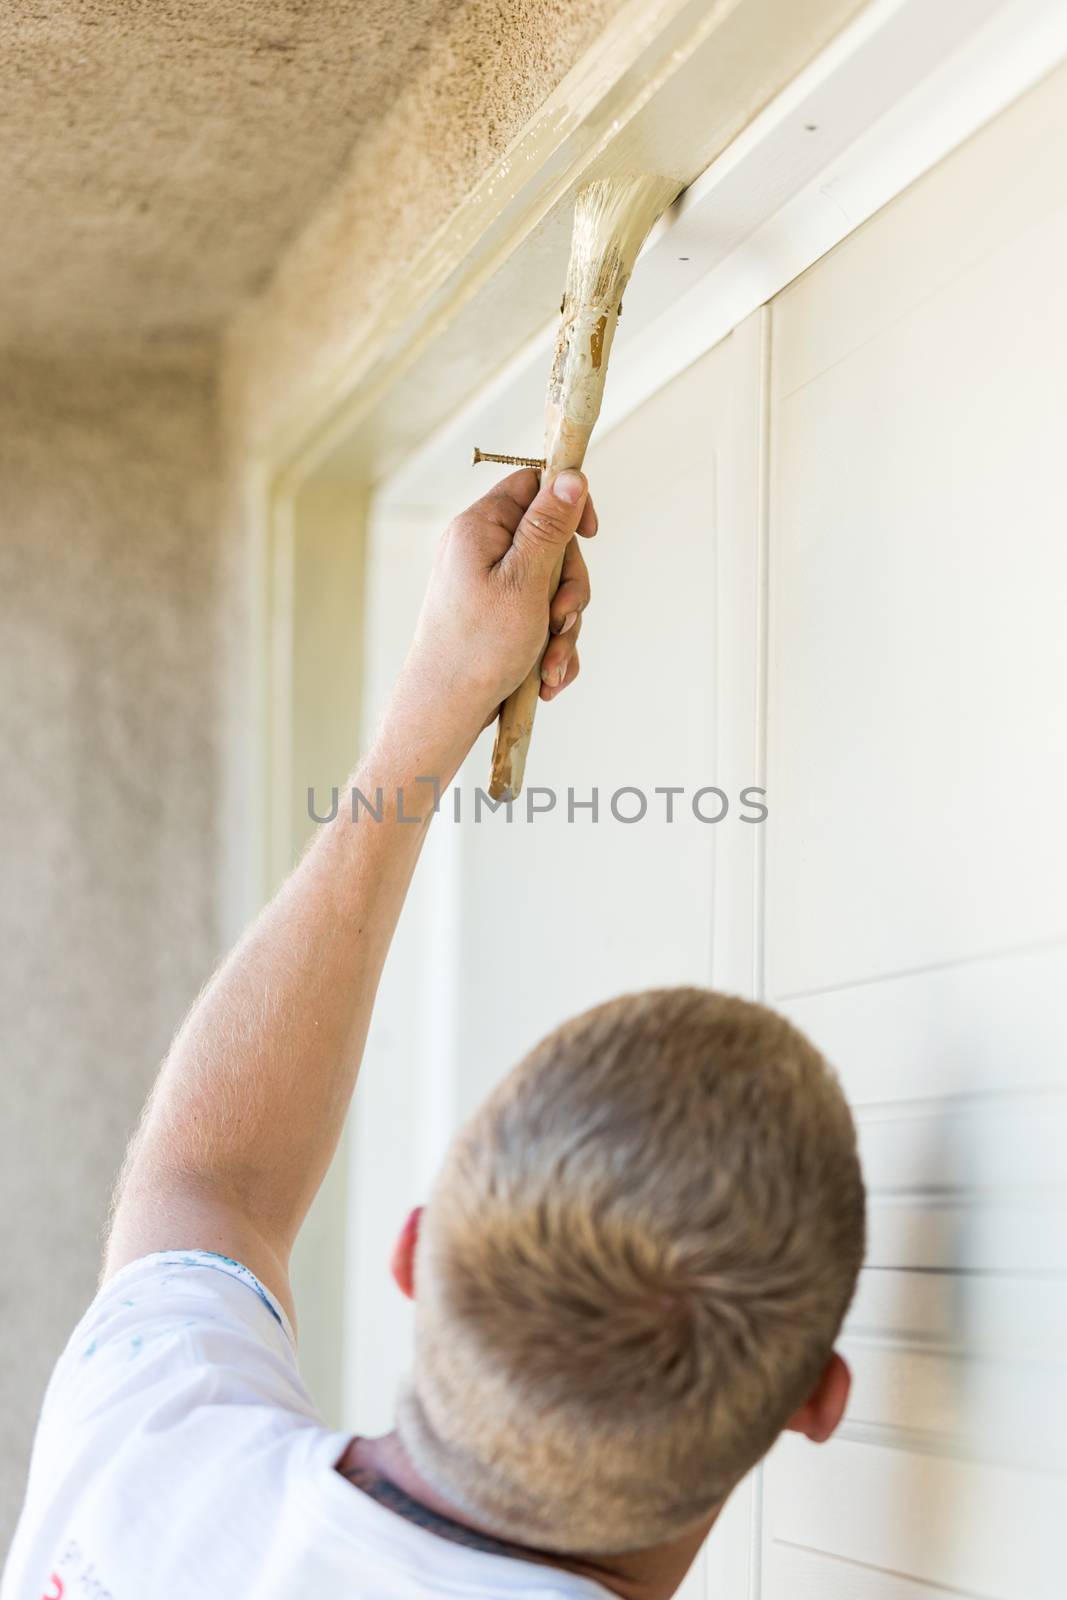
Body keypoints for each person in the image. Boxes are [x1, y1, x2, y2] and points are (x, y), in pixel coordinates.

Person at [3, 468, 865, 1600]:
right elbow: (213, 1186)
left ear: (415, 1252)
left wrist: (437, 694)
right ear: (816, 1400)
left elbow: (210, 1180)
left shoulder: (151, 1450)